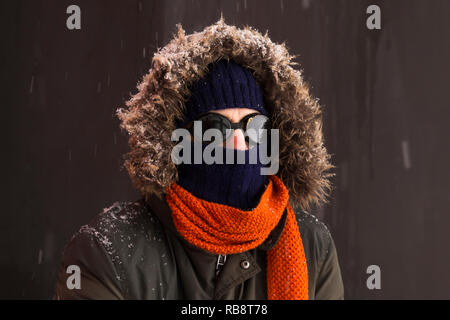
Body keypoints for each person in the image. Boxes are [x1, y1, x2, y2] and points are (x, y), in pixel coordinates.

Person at [54, 17, 344, 300]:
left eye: (254, 127)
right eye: (213, 128)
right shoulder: (109, 251)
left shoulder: (311, 247)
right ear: (174, 142)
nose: (238, 144)